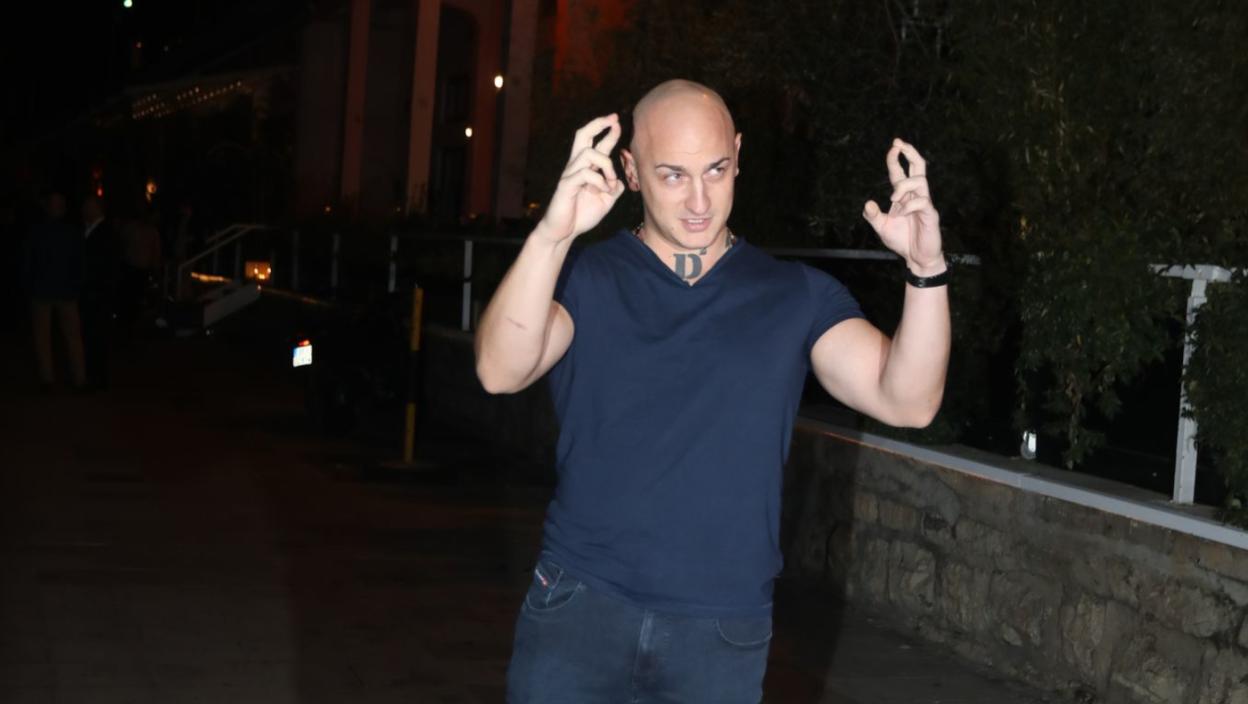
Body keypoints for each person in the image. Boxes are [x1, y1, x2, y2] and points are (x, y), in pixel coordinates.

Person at [476, 79, 950, 703]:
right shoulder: (585, 279)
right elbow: (499, 370)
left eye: (717, 170)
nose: (699, 200)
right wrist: (552, 235)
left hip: (720, 633)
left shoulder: (793, 295)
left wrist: (926, 270)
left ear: (738, 155)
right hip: (580, 609)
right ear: (631, 171)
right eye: (673, 175)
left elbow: (909, 401)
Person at [20, 191, 87, 392]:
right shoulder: (70, 232)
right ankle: (77, 378)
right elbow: (79, 262)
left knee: (46, 337)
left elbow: (28, 261)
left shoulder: (38, 231)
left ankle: (49, 378)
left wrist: (29, 284)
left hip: (45, 290)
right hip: (62, 290)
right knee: (71, 336)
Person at [80, 195, 121, 389]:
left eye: (88, 206)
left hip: (99, 293)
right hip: (91, 292)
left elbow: (107, 266)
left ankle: (97, 377)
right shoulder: (87, 229)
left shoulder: (106, 233)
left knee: (97, 336)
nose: (84, 210)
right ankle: (91, 374)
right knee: (90, 335)